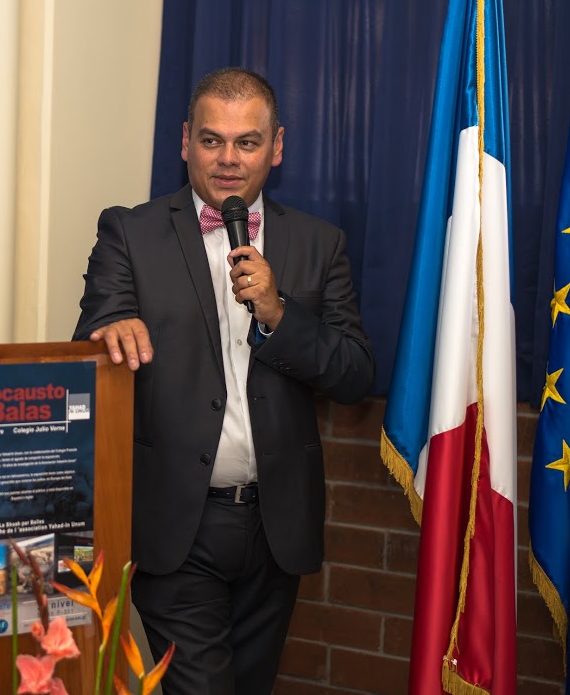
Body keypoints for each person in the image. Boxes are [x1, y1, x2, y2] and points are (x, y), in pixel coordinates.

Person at [73, 67, 374, 693]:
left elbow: (353, 374)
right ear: (185, 141)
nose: (229, 159)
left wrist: (280, 315)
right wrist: (113, 323)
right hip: (177, 525)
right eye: (212, 141)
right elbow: (94, 334)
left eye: (247, 142)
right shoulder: (129, 232)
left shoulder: (321, 243)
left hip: (277, 524)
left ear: (278, 146)